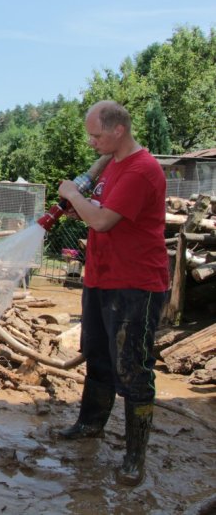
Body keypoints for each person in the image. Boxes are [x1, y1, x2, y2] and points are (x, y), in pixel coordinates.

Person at [56, 100, 168, 487]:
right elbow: (99, 209)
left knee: (133, 369)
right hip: (101, 278)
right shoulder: (110, 165)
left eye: (96, 134)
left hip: (134, 284)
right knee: (99, 356)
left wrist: (73, 195)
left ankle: (135, 457)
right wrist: (78, 206)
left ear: (118, 130)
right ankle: (90, 424)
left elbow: (102, 221)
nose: (91, 142)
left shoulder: (142, 169)